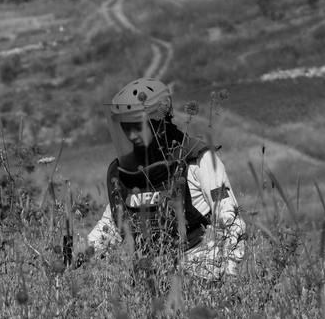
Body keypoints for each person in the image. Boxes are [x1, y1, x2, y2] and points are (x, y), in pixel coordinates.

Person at [85, 78, 246, 282]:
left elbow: (231, 221)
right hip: (150, 274)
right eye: (126, 128)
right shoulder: (125, 173)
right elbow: (111, 227)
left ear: (159, 123)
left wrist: (226, 278)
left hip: (201, 271)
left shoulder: (198, 160)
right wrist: (78, 254)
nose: (132, 135)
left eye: (138, 127)